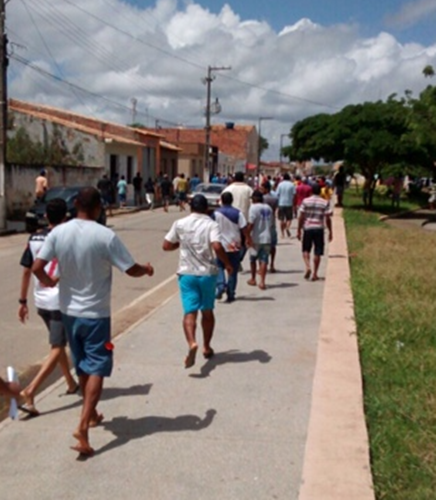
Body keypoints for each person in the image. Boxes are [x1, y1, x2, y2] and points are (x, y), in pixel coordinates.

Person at [32, 187, 154, 457]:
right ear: (99, 208)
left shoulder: (58, 232)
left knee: (82, 365)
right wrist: (145, 269)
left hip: (68, 312)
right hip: (96, 314)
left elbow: (37, 267)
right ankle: (82, 428)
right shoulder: (105, 235)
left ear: (75, 204)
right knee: (98, 366)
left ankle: (93, 412)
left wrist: (50, 282)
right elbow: (130, 268)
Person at [18, 198, 79, 417]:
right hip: (59, 301)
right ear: (65, 217)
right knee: (57, 348)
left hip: (40, 300)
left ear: (46, 216)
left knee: (58, 344)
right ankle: (30, 390)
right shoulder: (67, 237)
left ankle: (71, 382)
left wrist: (22, 301)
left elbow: (27, 270)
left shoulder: (34, 237)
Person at [163, 194, 233, 369]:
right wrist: (227, 264)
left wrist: (179, 245)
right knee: (207, 311)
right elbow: (217, 246)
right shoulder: (211, 224)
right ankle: (206, 347)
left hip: (186, 273)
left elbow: (166, 245)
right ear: (206, 209)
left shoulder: (180, 223)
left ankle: (192, 342)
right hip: (207, 274)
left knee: (189, 312)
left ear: (190, 207)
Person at [213, 192, 249, 303]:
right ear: (232, 200)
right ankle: (231, 293)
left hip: (220, 245)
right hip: (234, 245)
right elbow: (244, 228)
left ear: (221, 200)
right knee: (233, 270)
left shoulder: (215, 213)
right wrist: (248, 239)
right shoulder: (238, 213)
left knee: (218, 266)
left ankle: (221, 285)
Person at [297, 183, 333, 282]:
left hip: (307, 228)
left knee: (306, 249)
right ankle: (315, 274)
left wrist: (298, 229)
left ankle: (308, 266)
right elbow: (328, 218)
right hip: (319, 228)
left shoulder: (305, 201)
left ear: (311, 191)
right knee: (318, 251)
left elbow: (301, 216)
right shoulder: (324, 202)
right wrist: (330, 231)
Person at [247, 190, 273, 290]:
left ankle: (253, 278)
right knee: (264, 260)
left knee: (253, 259)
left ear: (254, 198)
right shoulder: (268, 208)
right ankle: (262, 282)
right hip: (267, 237)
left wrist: (247, 236)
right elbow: (271, 223)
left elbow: (251, 223)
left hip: (256, 237)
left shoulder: (253, 208)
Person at [260, 181, 278, 273]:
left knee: (261, 245)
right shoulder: (274, 198)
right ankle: (272, 264)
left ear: (266, 189)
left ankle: (262, 265)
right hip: (272, 222)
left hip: (262, 223)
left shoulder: (261, 198)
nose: (261, 190)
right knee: (273, 245)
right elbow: (275, 210)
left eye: (262, 188)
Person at [276, 173, 296, 238]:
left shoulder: (280, 184)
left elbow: (277, 194)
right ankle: (287, 227)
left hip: (281, 203)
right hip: (289, 203)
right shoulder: (292, 184)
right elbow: (294, 194)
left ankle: (282, 234)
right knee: (289, 219)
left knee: (281, 219)